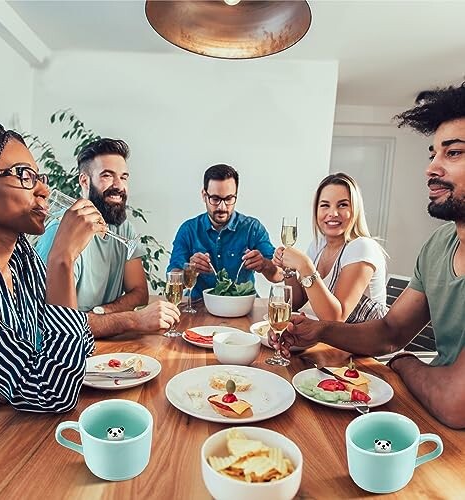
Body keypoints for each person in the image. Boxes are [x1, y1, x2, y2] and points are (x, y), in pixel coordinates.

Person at [271, 83, 465, 429]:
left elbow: (454, 403)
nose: (431, 168)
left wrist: (403, 361)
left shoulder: (361, 247)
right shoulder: (438, 245)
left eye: (453, 153)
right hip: (429, 411)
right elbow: (390, 332)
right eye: (432, 154)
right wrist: (318, 331)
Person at [0, 123, 103, 420]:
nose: (44, 190)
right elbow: (55, 392)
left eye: (41, 177)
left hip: (10, 428)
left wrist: (16, 376)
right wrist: (63, 258)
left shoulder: (22, 261)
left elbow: (81, 348)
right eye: (24, 176)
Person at [36, 138, 179, 336]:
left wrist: (103, 313)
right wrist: (133, 319)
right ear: (84, 180)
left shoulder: (124, 229)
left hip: (102, 345)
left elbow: (139, 293)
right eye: (107, 176)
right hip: (64, 356)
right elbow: (52, 323)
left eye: (124, 177)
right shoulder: (61, 233)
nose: (119, 186)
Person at [272, 173, 388, 322]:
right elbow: (295, 303)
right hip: (335, 341)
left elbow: (335, 319)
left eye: (342, 205)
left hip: (368, 342)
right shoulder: (318, 246)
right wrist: (289, 270)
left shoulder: (362, 247)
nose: (332, 213)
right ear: (316, 211)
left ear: (355, 210)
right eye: (325, 205)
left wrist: (305, 265)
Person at [167, 164, 278, 299]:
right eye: (215, 199)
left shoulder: (252, 228)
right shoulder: (188, 230)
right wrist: (189, 270)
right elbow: (172, 279)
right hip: (200, 306)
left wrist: (264, 265)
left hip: (243, 307)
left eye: (229, 199)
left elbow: (278, 275)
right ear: (204, 195)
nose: (222, 206)